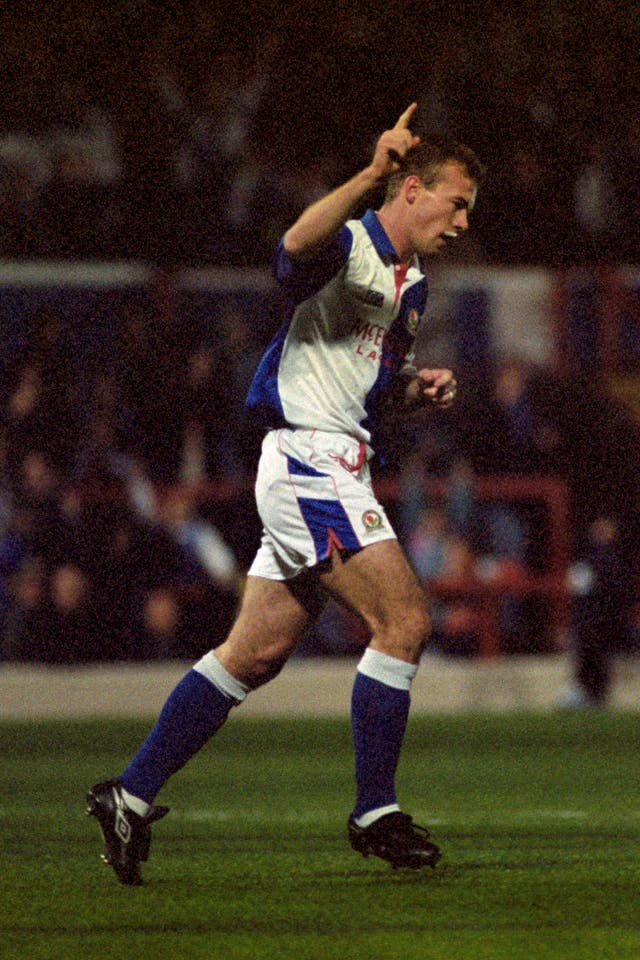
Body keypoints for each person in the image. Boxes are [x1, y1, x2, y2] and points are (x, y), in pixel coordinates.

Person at [86, 103, 485, 884]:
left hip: (331, 459)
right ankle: (375, 811)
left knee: (256, 653)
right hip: (309, 464)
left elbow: (360, 389)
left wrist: (411, 388)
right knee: (402, 620)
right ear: (411, 189)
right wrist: (368, 173)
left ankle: (129, 795)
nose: (465, 220)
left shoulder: (412, 285)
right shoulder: (354, 243)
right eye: (457, 200)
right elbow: (291, 248)